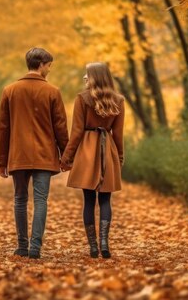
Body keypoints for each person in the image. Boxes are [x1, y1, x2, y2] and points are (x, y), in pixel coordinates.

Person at [0, 47, 69, 259]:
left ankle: (21, 246)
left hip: (18, 154)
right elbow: (60, 128)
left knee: (19, 199)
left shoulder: (10, 91)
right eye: (48, 66)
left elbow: (3, 128)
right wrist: (66, 156)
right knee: (40, 200)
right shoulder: (53, 92)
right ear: (41, 65)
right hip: (45, 155)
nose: (49, 70)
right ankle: (35, 248)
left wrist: (1, 161)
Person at [60, 62, 125, 259]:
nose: (84, 78)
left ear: (95, 76)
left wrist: (66, 157)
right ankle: (105, 243)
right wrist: (119, 157)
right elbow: (118, 134)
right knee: (105, 199)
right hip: (108, 151)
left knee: (89, 200)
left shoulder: (82, 98)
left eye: (87, 74)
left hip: (87, 150)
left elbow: (77, 132)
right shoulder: (119, 100)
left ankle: (93, 247)